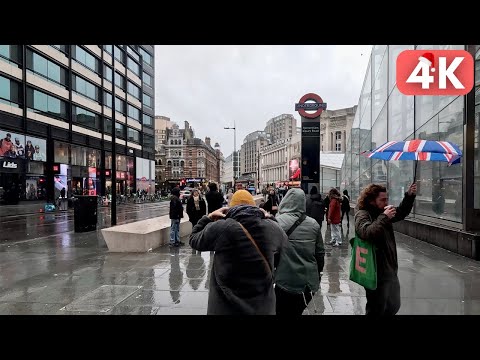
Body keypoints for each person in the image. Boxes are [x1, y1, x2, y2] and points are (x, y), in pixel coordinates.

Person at [189, 189, 288, 315]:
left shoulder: (222, 227)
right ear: (254, 206)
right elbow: (284, 243)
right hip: (262, 307)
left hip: (225, 308)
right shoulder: (271, 228)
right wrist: (271, 218)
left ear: (230, 208)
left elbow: (194, 239)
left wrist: (209, 217)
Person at [355, 182, 417, 316]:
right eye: (382, 199)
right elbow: (366, 233)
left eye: (387, 199)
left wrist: (409, 196)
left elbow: (401, 213)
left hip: (390, 270)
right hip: (375, 271)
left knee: (394, 305)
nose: (386, 202)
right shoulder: (363, 214)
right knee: (376, 308)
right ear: (371, 200)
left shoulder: (383, 212)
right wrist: (384, 217)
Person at [275, 188, 325, 315]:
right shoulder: (313, 224)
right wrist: (317, 274)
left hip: (284, 281)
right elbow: (320, 253)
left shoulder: (277, 222)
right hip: (307, 283)